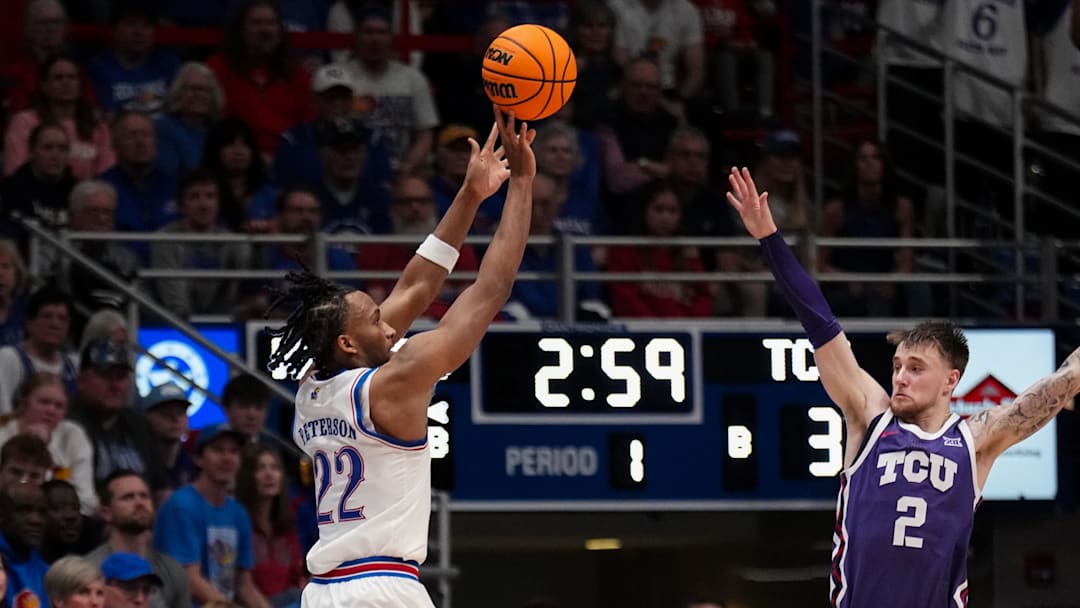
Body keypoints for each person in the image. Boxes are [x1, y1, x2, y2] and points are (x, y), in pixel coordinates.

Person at [726, 166, 1080, 607]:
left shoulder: (975, 440)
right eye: (897, 366)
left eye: (916, 367)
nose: (900, 376)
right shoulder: (869, 415)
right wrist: (770, 239)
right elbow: (819, 321)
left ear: (951, 380)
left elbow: (1062, 383)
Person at [265, 107, 534, 607]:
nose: (390, 324)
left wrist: (471, 195)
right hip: (384, 588)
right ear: (348, 344)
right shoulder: (396, 381)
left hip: (323, 593)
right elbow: (490, 290)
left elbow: (416, 284)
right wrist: (522, 183)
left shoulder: (311, 388)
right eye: (375, 320)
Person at [152, 425, 269, 608]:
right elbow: (189, 580)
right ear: (198, 459)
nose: (227, 458)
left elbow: (244, 584)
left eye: (234, 452)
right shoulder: (181, 506)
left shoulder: (239, 513)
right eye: (218, 450)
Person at [86, 469, 191, 608]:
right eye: (128, 497)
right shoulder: (88, 569)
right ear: (106, 513)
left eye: (144, 496)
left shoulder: (173, 570)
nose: (139, 503)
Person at [0, 373, 95, 514]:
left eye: (59, 406)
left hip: (55, 521)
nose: (51, 410)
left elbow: (87, 501)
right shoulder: (3, 434)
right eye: (44, 402)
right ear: (24, 403)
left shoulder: (73, 435)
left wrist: (48, 447)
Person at [234, 445, 303, 607]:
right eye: (260, 468)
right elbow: (241, 585)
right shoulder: (238, 523)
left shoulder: (287, 528)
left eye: (275, 468)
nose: (269, 475)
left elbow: (296, 579)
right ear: (248, 476)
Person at [0, 285, 76, 415]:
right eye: (47, 316)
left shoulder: (74, 365)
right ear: (29, 323)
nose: (55, 324)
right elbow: (3, 414)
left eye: (62, 319)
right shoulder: (10, 358)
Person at [0, 482, 49, 608]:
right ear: (2, 515)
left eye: (42, 512)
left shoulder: (46, 571)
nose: (36, 520)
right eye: (24, 510)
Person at [38, 480, 101, 562]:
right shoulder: (27, 561)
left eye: (75, 508)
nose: (71, 516)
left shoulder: (94, 538)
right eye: (58, 508)